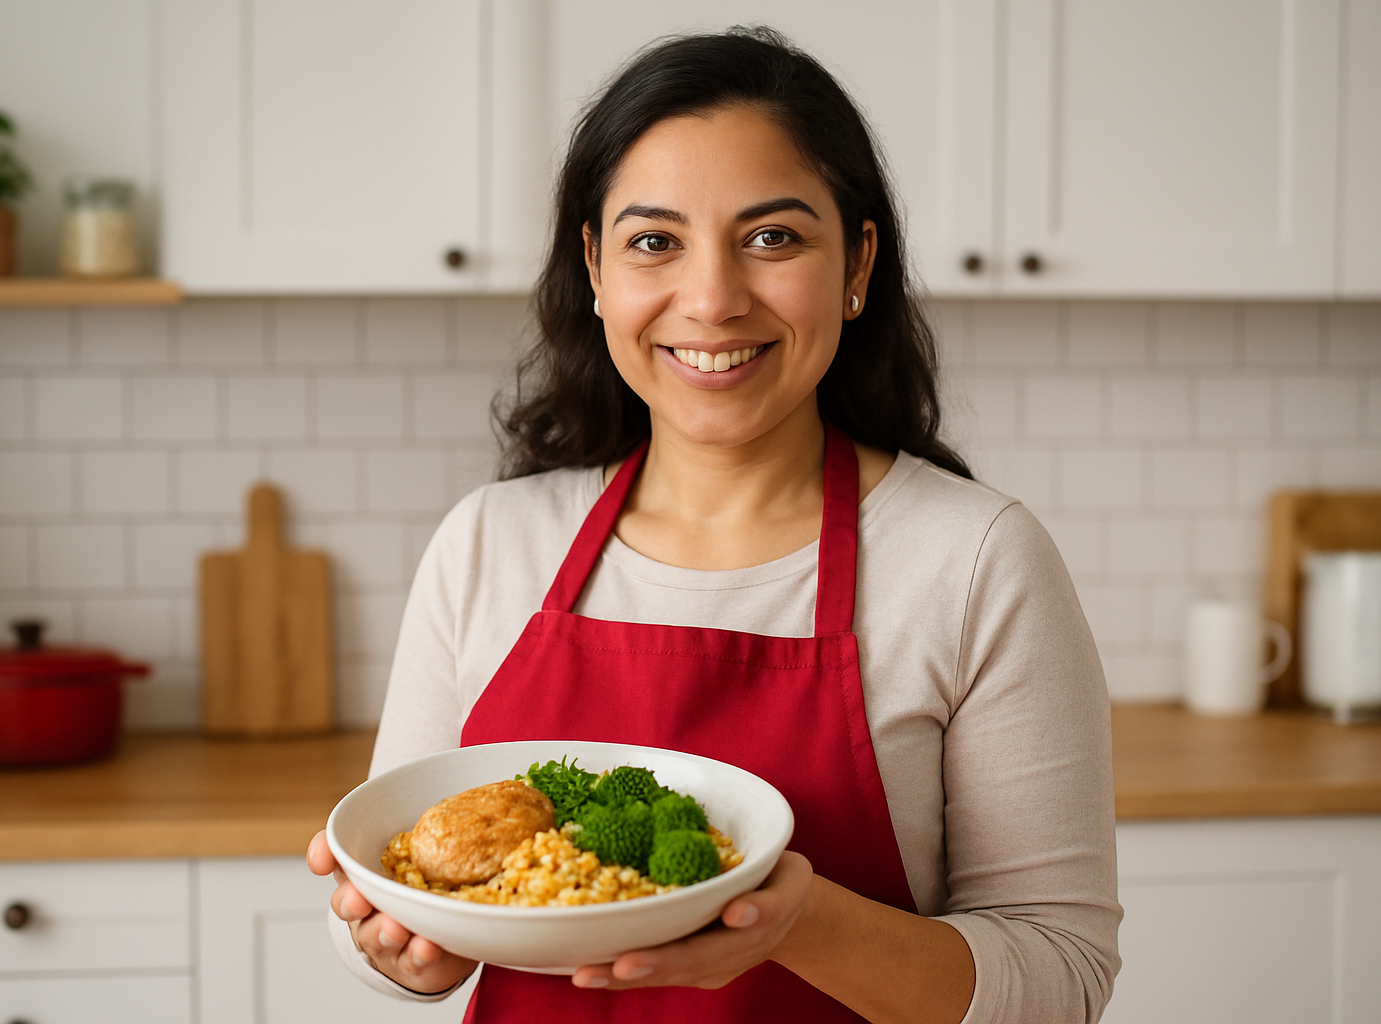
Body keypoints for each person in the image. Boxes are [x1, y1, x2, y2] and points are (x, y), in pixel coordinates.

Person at [308, 26, 1121, 1024]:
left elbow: (1061, 976)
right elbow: (393, 887)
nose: (712, 299)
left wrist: (800, 922)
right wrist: (399, 951)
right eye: (655, 241)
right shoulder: (489, 544)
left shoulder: (976, 562)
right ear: (596, 268)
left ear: (859, 263)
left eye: (772, 238)